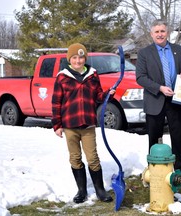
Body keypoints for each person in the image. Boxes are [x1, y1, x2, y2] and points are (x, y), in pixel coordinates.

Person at [51, 43, 115, 203]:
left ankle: (100, 190)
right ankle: (81, 191)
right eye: (74, 57)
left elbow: (98, 95)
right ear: (69, 59)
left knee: (92, 157)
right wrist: (57, 125)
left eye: (81, 57)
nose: (78, 61)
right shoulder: (62, 77)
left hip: (88, 124)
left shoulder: (92, 75)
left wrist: (108, 94)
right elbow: (56, 102)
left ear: (85, 58)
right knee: (75, 157)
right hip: (69, 124)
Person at [136, 19, 181, 185]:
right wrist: (160, 88)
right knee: (154, 139)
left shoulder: (180, 51)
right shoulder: (144, 53)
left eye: (162, 31)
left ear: (167, 32)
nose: (160, 34)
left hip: (176, 101)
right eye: (157, 32)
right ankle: (154, 173)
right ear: (151, 34)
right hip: (155, 100)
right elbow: (140, 77)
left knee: (178, 139)